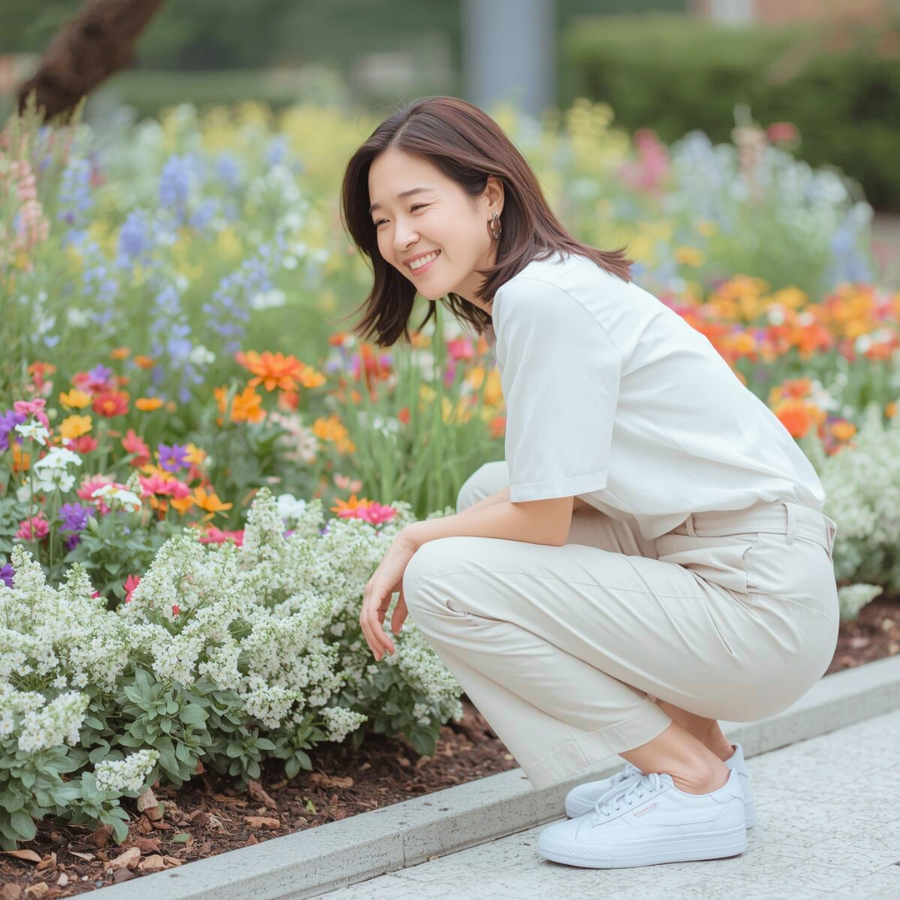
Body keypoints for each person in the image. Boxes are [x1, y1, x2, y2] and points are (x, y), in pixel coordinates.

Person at [340, 95, 839, 870]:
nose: (400, 237)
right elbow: (542, 498)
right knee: (486, 492)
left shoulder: (540, 298)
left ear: (490, 196)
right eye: (381, 220)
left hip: (759, 605)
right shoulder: (545, 286)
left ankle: (691, 781)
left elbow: (541, 521)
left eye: (418, 206)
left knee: (443, 576)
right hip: (750, 577)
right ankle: (704, 758)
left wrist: (412, 538)